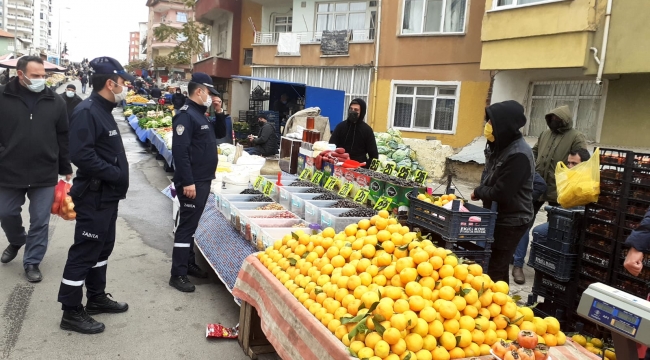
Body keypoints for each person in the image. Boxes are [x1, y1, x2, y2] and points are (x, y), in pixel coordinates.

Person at [57, 57, 135, 334]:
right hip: (93, 195)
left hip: (107, 197)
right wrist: (115, 174)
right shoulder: (88, 111)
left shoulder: (105, 109)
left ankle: (96, 297)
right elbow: (82, 154)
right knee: (85, 251)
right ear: (109, 83)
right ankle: (70, 310)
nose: (125, 86)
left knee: (102, 248)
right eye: (122, 82)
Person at [0, 56, 72, 282]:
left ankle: (32, 262)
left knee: (40, 221)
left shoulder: (55, 101)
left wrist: (65, 165)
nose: (41, 80)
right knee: (6, 212)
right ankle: (18, 239)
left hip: (44, 171)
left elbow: (62, 136)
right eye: (35, 76)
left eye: (43, 76)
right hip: (8, 169)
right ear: (20, 74)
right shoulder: (2, 97)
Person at [510, 106, 587, 284]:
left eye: (556, 119)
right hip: (537, 186)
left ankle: (548, 268)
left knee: (554, 230)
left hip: (560, 190)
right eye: (550, 118)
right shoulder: (545, 133)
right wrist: (531, 166)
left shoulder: (576, 137)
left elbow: (582, 161)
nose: (552, 121)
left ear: (564, 120)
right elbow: (535, 151)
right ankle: (518, 264)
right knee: (524, 223)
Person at [170, 72, 226, 292]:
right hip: (193, 182)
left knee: (192, 225)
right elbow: (180, 152)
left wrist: (219, 111)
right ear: (200, 91)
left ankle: (188, 263)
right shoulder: (186, 115)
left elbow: (220, 133)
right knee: (186, 227)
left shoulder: (201, 114)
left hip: (203, 179)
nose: (212, 97)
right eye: (210, 93)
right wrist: (188, 182)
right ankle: (178, 274)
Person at [471, 100, 534, 285]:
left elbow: (502, 193)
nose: (487, 127)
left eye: (491, 122)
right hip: (499, 215)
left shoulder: (519, 154)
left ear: (504, 124)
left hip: (512, 220)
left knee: (496, 267)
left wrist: (480, 191)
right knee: (494, 264)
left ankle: (498, 308)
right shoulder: (501, 145)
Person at [527, 149, 591, 241]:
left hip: (578, 221)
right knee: (538, 231)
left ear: (585, 164)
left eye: (574, 164)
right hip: (566, 217)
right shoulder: (568, 177)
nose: (570, 166)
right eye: (568, 163)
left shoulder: (590, 181)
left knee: (540, 232)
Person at [329, 98, 378, 168]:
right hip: (339, 165)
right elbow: (331, 146)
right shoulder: (340, 126)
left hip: (358, 169)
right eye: (351, 109)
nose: (352, 111)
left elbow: (374, 156)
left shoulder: (367, 130)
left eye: (356, 110)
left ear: (362, 112)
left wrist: (367, 171)